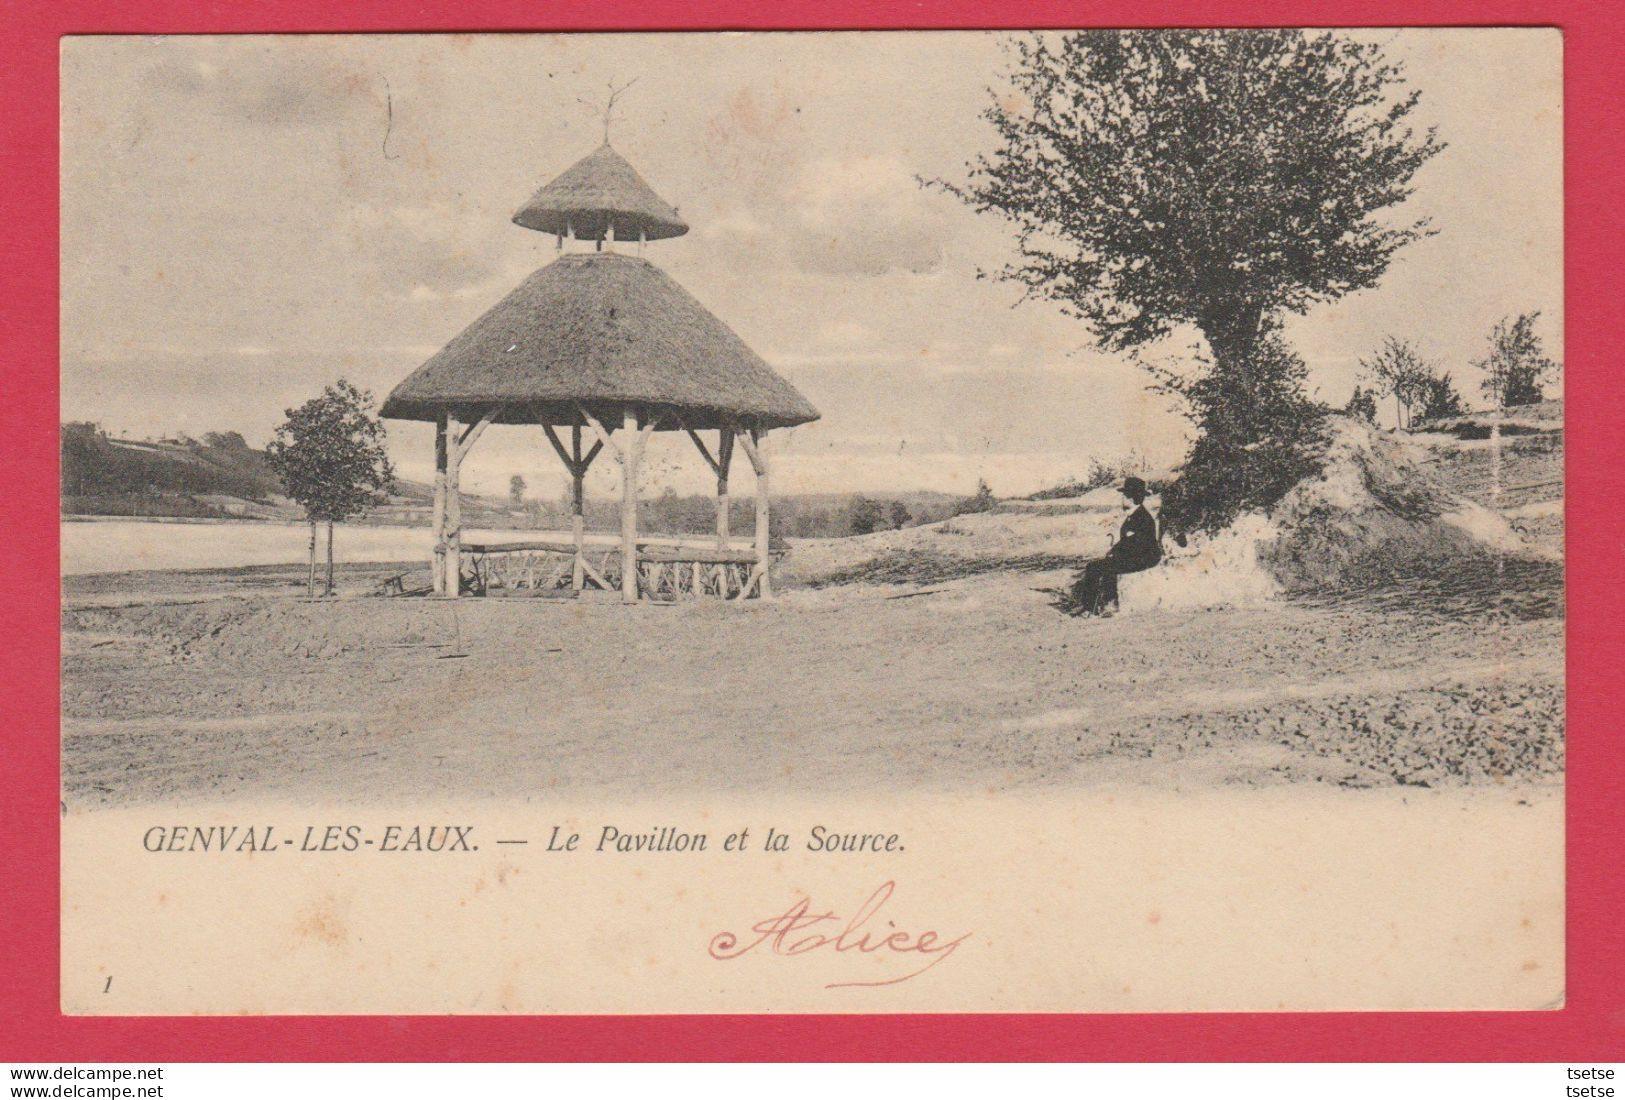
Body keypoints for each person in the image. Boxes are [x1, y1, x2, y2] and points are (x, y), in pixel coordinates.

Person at [1070, 476, 1160, 616]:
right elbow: (1128, 541)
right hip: (1137, 555)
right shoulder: (1134, 515)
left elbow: (1140, 545)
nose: (1122, 498)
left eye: (1124, 495)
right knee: (1094, 566)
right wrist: (1115, 550)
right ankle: (1088, 606)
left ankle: (1110, 604)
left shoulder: (1143, 518)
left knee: (1108, 566)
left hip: (1146, 558)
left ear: (1131, 498)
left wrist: (1117, 553)